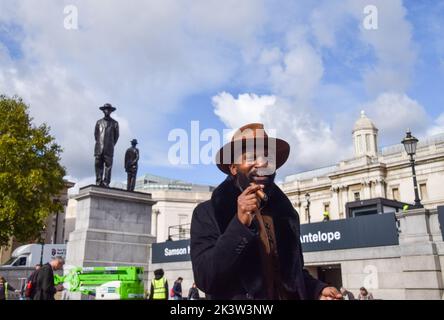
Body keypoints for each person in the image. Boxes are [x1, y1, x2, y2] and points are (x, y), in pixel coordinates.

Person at [190, 123, 343, 300]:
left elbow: (290, 275)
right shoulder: (207, 213)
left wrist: (317, 289)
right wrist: (239, 224)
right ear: (233, 168)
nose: (262, 163)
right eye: (252, 157)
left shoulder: (286, 215)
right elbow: (206, 278)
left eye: (267, 158)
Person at [94, 103, 119, 187]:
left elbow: (116, 136)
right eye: (105, 109)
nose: (107, 111)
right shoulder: (98, 122)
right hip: (99, 148)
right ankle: (98, 181)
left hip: (109, 148)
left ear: (111, 111)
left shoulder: (115, 123)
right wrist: (99, 143)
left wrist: (110, 144)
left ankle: (106, 182)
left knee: (108, 166)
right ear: (103, 111)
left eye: (108, 109)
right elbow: (96, 135)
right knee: (98, 164)